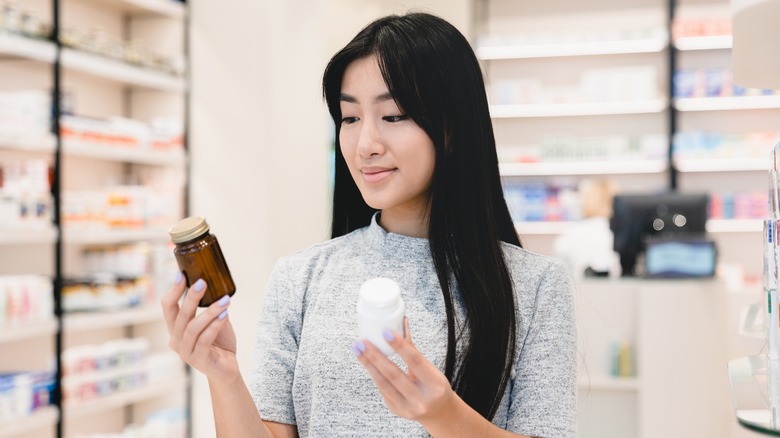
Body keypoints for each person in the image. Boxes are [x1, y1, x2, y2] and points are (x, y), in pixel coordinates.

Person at [162, 12, 576, 438]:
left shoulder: (535, 286)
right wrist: (223, 376)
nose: (366, 145)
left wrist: (446, 416)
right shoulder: (300, 277)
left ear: (452, 127)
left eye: (393, 116)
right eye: (350, 118)